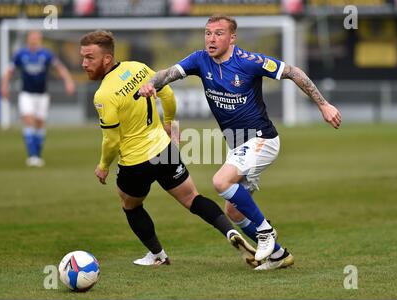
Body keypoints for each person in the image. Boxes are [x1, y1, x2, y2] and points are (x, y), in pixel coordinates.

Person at [139, 14, 342, 270]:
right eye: (208, 33)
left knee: (220, 181)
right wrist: (149, 84)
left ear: (232, 37)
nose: (211, 39)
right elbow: (167, 74)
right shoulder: (200, 60)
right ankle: (279, 256)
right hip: (239, 145)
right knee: (234, 212)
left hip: (262, 140)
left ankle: (266, 233)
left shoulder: (249, 62)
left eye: (219, 33)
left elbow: (293, 72)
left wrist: (323, 105)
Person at [79, 30, 257, 267]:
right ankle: (229, 232)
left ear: (107, 58)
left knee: (129, 204)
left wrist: (103, 166)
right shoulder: (139, 68)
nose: (84, 64)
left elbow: (111, 141)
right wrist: (169, 124)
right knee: (193, 198)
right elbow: (168, 94)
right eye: (83, 57)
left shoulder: (104, 94)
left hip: (135, 162)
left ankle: (157, 255)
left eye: (90, 57)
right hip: (164, 151)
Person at [0, 30, 75, 167]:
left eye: (37, 38)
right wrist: (4, 86)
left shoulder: (46, 54)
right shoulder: (21, 54)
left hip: (42, 95)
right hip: (26, 94)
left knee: (39, 123)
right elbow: (9, 72)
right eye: (32, 38)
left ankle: (38, 155)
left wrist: (68, 82)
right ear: (28, 39)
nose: (34, 40)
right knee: (29, 121)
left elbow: (60, 68)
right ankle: (32, 156)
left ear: (40, 40)